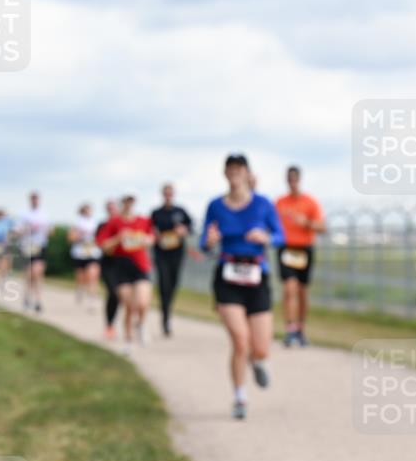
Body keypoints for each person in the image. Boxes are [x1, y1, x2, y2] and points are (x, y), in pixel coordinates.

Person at [200, 153, 285, 419]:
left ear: (248, 174)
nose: (235, 175)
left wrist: (266, 236)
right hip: (228, 276)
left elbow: (281, 236)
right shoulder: (215, 205)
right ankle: (239, 397)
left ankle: (258, 360)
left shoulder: (263, 204)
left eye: (239, 170)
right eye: (230, 170)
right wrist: (210, 240)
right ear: (225, 174)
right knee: (240, 340)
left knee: (259, 347)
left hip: (256, 275)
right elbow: (204, 241)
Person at [275, 165, 326, 347]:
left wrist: (306, 223)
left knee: (302, 291)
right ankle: (290, 328)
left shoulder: (310, 202)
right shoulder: (280, 202)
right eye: (289, 179)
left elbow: (322, 227)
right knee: (289, 288)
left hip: (304, 249)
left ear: (299, 180)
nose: (292, 182)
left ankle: (301, 328)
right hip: (286, 249)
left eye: (295, 179)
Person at [101, 195, 154, 353]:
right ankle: (128, 340)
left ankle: (142, 325)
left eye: (131, 201)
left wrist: (145, 240)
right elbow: (104, 245)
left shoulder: (143, 221)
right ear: (121, 203)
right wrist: (119, 238)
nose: (129, 204)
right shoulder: (114, 222)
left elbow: (151, 238)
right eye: (126, 201)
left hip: (140, 265)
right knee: (129, 306)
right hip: (120, 267)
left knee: (143, 302)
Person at [150, 183, 194, 337]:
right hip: (161, 253)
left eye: (170, 193)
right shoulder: (156, 213)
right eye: (166, 193)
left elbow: (191, 227)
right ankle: (165, 317)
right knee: (164, 284)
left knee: (173, 284)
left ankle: (168, 309)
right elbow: (149, 230)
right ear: (162, 194)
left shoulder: (180, 211)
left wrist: (184, 230)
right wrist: (154, 234)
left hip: (177, 253)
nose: (168, 195)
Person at [16, 191, 51, 312]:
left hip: (40, 246)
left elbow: (50, 230)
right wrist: (28, 229)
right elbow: (17, 230)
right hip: (27, 246)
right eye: (33, 199)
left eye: (36, 199)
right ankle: (27, 296)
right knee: (30, 273)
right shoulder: (24, 215)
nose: (35, 201)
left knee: (38, 272)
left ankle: (38, 300)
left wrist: (46, 230)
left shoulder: (44, 215)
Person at [96, 200, 122, 340]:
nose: (111, 211)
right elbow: (102, 245)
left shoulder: (123, 225)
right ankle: (109, 325)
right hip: (108, 264)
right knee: (113, 293)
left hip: (124, 264)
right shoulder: (103, 226)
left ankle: (132, 324)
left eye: (114, 208)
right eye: (109, 209)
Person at [68, 203, 102, 309]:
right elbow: (70, 238)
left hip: (92, 253)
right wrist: (80, 236)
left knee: (93, 276)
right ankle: (80, 288)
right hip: (80, 254)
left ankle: (92, 300)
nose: (88, 212)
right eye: (86, 210)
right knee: (81, 277)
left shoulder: (95, 223)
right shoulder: (77, 223)